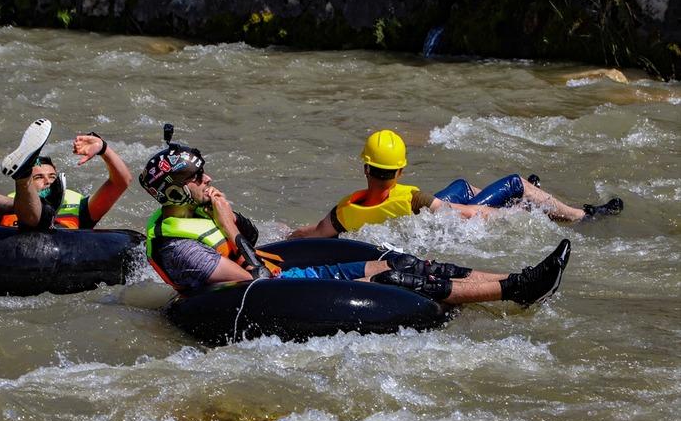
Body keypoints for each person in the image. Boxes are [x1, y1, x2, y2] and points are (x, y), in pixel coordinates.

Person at [139, 137, 572, 307]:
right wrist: (228, 223)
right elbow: (253, 279)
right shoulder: (177, 247)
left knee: (409, 264)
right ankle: (515, 291)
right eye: (196, 177)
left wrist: (231, 220)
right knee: (403, 284)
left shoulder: (194, 212)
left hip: (289, 272)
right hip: (274, 293)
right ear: (174, 189)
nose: (207, 180)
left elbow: (255, 241)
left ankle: (519, 277)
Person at [0, 51, 131, 230]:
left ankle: (25, 183)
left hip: (57, 243)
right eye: (37, 177)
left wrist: (104, 148)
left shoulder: (80, 208)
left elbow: (121, 182)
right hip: (8, 243)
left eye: (51, 176)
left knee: (37, 214)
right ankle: (23, 192)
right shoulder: (2, 206)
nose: (47, 181)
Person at [289, 129, 623, 239]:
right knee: (516, 183)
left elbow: (311, 233)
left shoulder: (345, 211)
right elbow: (466, 215)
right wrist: (515, 217)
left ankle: (533, 195)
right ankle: (580, 215)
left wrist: (284, 234)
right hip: (439, 224)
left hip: (416, 227)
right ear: (400, 172)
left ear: (366, 169)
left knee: (463, 184)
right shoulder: (412, 198)